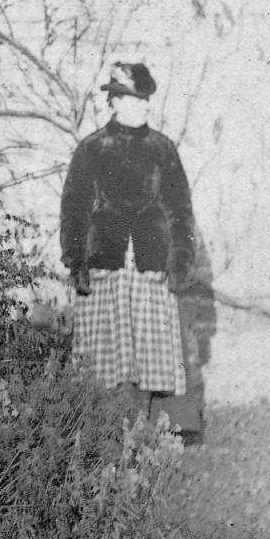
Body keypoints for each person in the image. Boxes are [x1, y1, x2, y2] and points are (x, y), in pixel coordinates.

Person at [59, 62, 197, 417]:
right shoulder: (91, 148)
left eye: (146, 99)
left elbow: (180, 210)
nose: (145, 106)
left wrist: (180, 262)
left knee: (149, 371)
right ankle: (107, 448)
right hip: (105, 271)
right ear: (116, 102)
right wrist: (76, 262)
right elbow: (74, 208)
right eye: (137, 99)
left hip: (150, 269)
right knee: (103, 370)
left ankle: (141, 443)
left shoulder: (162, 148)